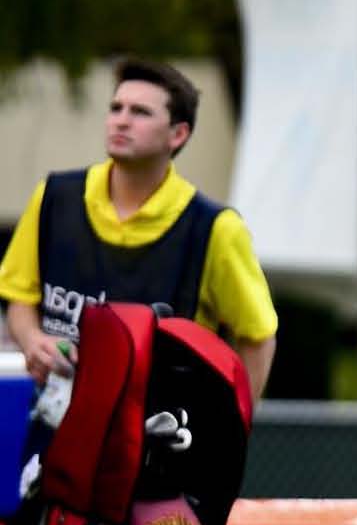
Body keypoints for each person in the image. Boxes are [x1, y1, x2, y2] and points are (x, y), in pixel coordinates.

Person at [1, 58, 278, 399]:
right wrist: (33, 340)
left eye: (140, 112)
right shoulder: (54, 197)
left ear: (178, 134)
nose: (122, 120)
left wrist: (232, 423)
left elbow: (258, 336)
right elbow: (19, 296)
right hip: (53, 420)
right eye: (116, 108)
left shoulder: (215, 228)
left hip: (159, 427)